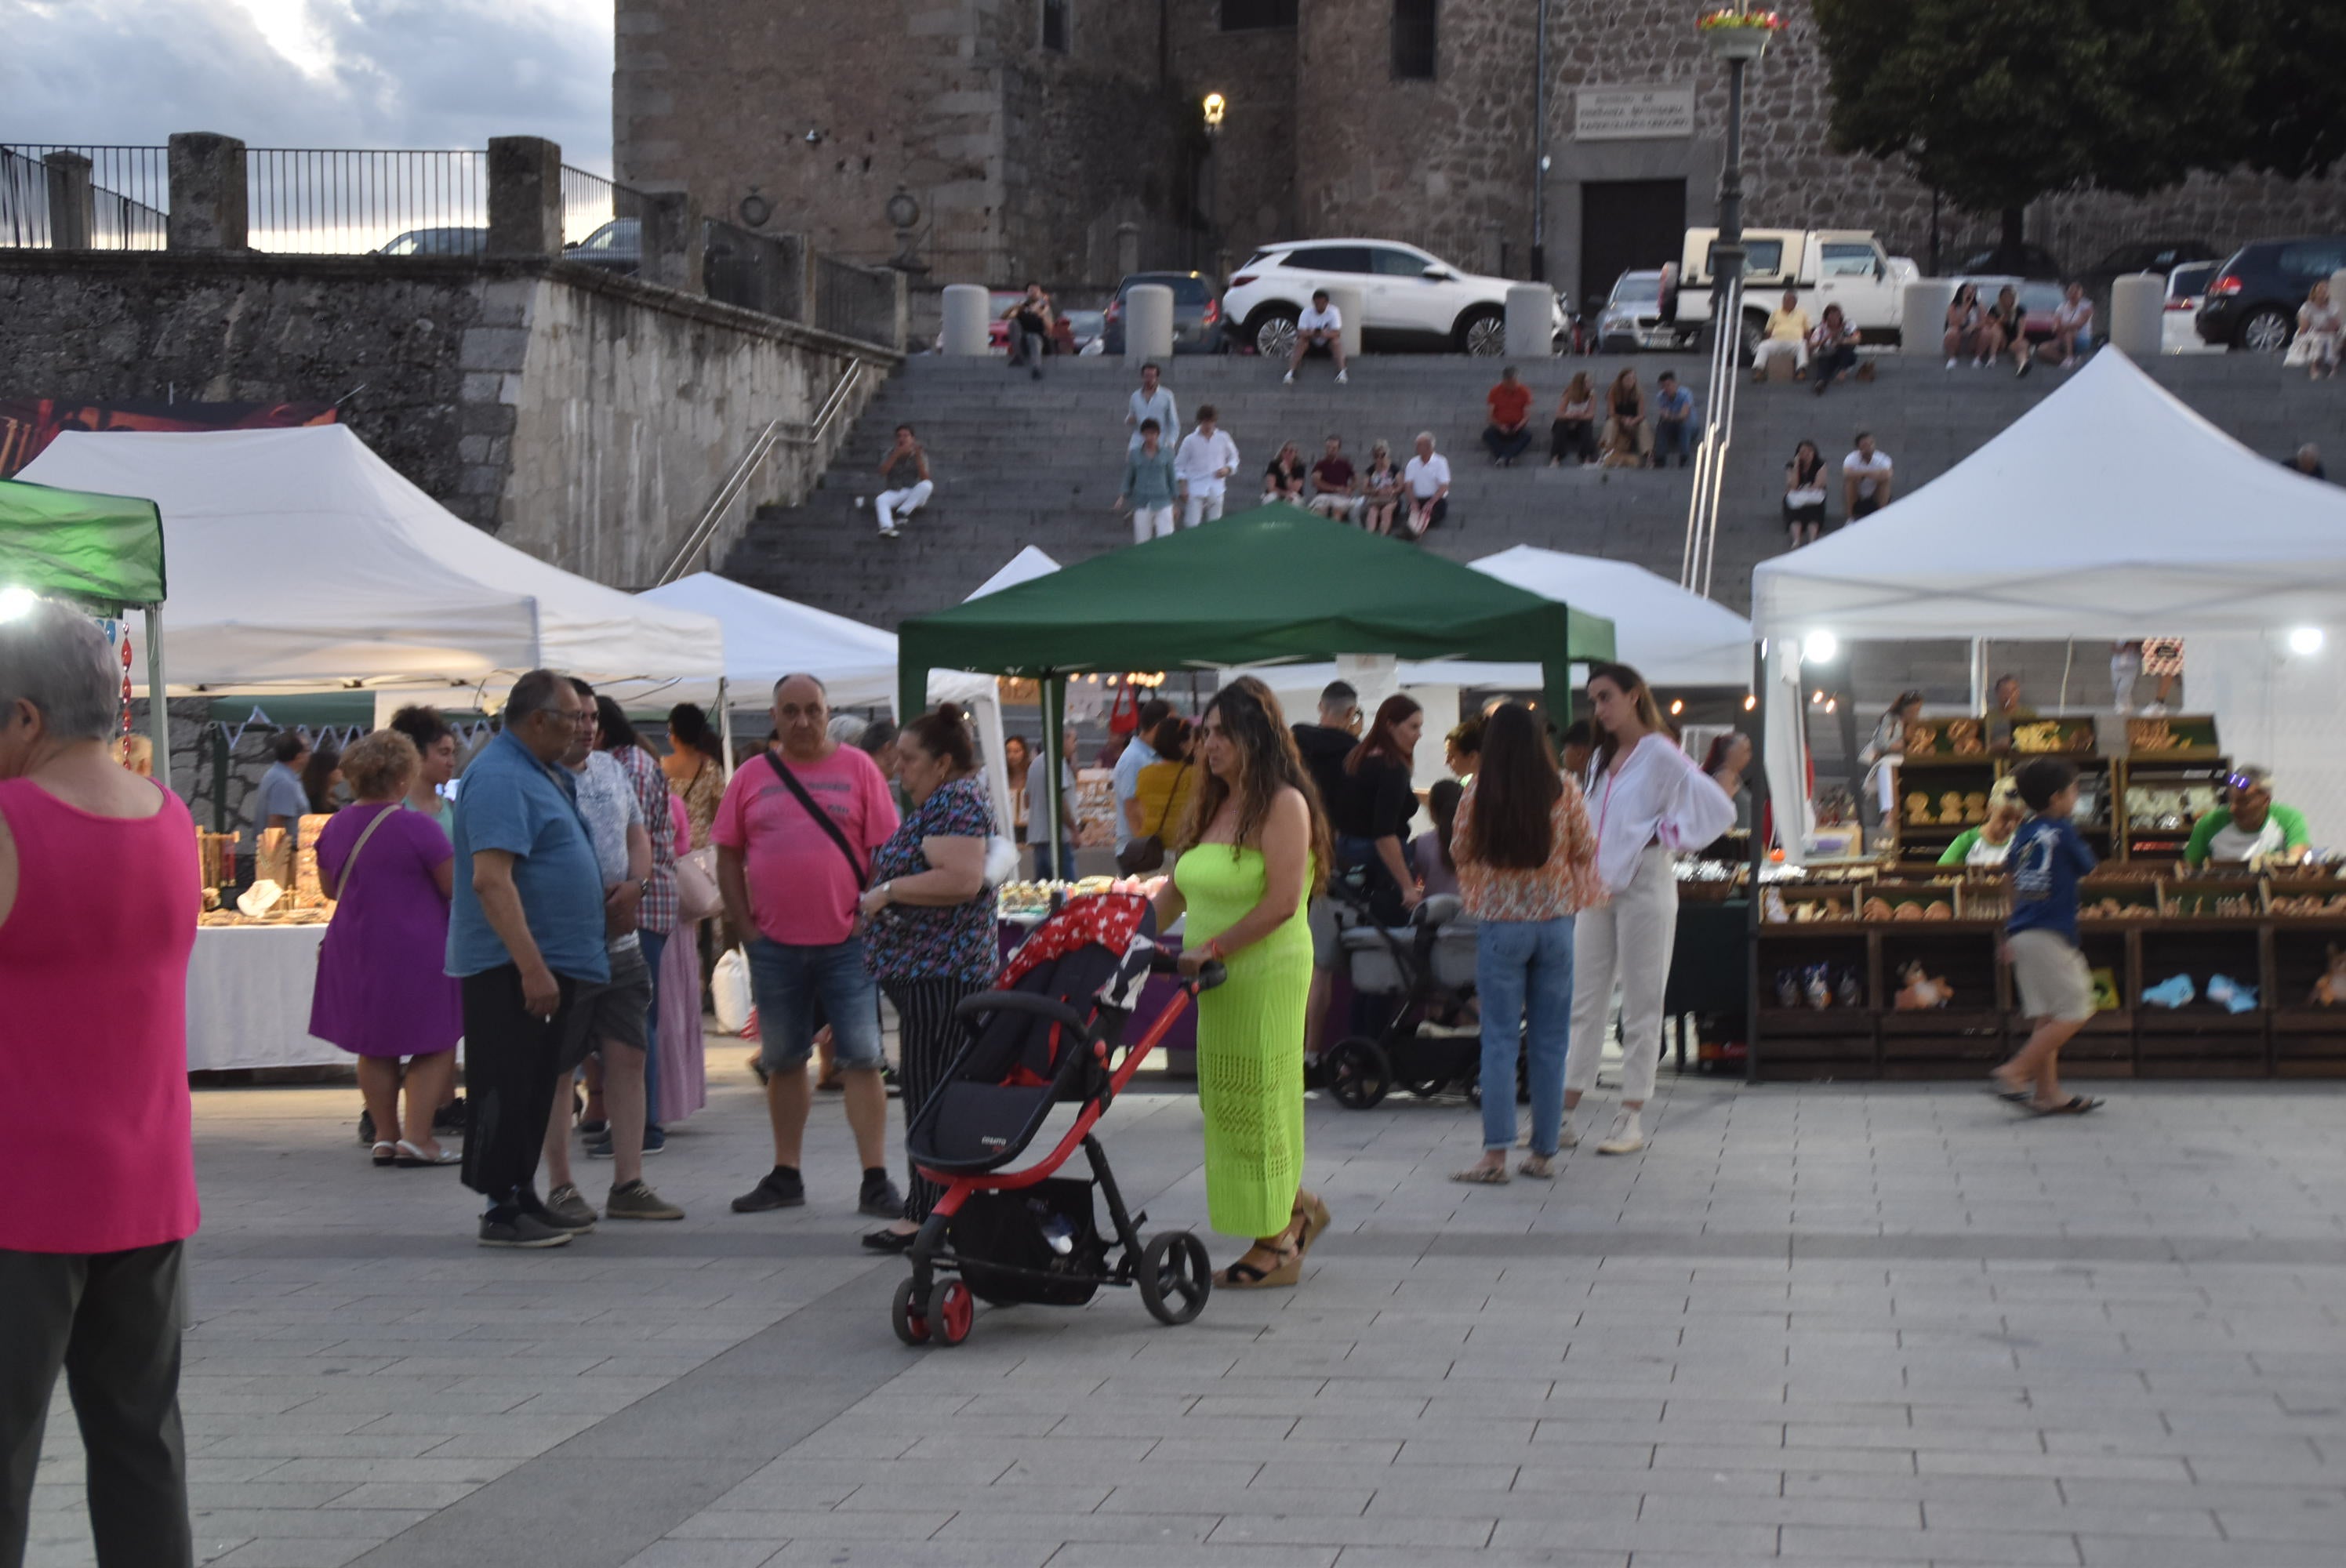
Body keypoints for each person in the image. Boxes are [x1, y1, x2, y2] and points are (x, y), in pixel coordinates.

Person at [1, 597, 201, 1568]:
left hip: (20, 1194)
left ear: (25, 717)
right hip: (148, 1185)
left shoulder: (11, 818)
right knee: (142, 1447)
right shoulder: (170, 816)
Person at [1149, 677, 1334, 1287]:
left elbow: (1285, 900)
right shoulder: (1213, 801)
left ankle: (1278, 1241)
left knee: (1260, 1101)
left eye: (1221, 733)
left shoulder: (1283, 802)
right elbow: (1177, 890)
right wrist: (1119, 933)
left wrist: (1213, 946)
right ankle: (1299, 1205)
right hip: (1214, 977)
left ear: (1256, 736)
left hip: (1262, 971)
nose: (1208, 744)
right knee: (1225, 1101)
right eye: (1205, 733)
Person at [718, 674, 906, 1222]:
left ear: (828, 714)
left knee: (864, 1058)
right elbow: (728, 854)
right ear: (774, 717)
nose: (802, 721)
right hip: (774, 944)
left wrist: (865, 918)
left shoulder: (859, 770)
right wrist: (746, 926)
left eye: (812, 710)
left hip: (846, 944)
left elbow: (886, 851)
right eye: (790, 711)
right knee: (783, 1060)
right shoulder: (751, 777)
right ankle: (786, 1173)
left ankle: (875, 1178)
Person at [448, 670, 607, 1250]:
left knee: (535, 1085)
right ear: (539, 720)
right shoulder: (499, 777)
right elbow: (492, 880)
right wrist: (532, 967)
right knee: (507, 1082)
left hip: (548, 960)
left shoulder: (537, 771)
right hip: (510, 966)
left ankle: (521, 1190)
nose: (581, 730)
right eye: (572, 719)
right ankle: (501, 1208)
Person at [1561, 663, 1735, 1156]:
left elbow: (1718, 809)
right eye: (1594, 699)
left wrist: (1661, 837)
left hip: (1646, 886)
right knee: (1585, 1000)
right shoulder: (1600, 758)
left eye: (1606, 697)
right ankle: (1566, 1112)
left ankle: (1630, 1116)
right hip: (1597, 891)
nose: (1599, 708)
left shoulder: (1660, 752)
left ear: (1634, 696)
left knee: (1642, 1002)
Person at [532, 684, 681, 1226]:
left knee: (629, 1052)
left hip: (620, 937)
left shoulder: (614, 770)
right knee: (559, 1064)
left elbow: (638, 835)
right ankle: (562, 1184)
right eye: (576, 717)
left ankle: (629, 1180)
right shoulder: (536, 777)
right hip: (562, 943)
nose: (587, 726)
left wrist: (637, 886)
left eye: (593, 717)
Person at [857, 705, 998, 1252]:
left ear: (942, 763)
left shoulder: (955, 802)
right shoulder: (951, 800)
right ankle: (934, 1209)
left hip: (942, 977)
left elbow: (960, 879)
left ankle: (928, 1215)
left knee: (931, 1094)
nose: (899, 770)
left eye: (910, 760)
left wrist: (887, 893)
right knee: (928, 1092)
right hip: (934, 977)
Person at [1449, 702, 1602, 1183]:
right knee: (1551, 1041)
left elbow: (1460, 850)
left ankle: (1495, 1157)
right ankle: (1543, 1153)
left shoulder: (1477, 794)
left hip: (1501, 925)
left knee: (1497, 1039)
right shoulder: (1566, 790)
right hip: (1556, 925)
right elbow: (1586, 848)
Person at [310, 729, 463, 1167]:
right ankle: (418, 1138)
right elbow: (452, 885)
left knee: (374, 1044)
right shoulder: (417, 826)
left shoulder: (336, 826)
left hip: (353, 944)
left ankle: (384, 1134)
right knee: (435, 1040)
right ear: (402, 778)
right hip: (416, 945)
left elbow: (329, 887)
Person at [586, 697, 681, 1163]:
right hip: (639, 904)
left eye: (585, 721)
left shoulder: (626, 769)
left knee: (634, 1020)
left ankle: (644, 1124)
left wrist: (627, 889)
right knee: (631, 1018)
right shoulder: (627, 761)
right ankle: (635, 1122)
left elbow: (625, 839)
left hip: (637, 906)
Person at [1989, 758, 2101, 1116]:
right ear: (2057, 798)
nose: (2076, 797)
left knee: (2049, 1016)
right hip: (2052, 932)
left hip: (2023, 931)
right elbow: (2090, 867)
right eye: (2074, 791)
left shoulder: (2023, 831)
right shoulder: (2063, 830)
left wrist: (2012, 924)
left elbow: (2008, 877)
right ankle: (2016, 1070)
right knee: (2077, 1008)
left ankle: (2048, 1093)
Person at [1334, 694, 1424, 925]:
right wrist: (1407, 887)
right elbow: (1383, 834)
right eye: (1413, 727)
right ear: (1390, 726)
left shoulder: (1355, 758)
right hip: (1382, 867)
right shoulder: (1392, 768)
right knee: (1391, 939)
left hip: (1349, 861)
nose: (1419, 735)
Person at [2184, 764, 2312, 867]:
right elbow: (2188, 868)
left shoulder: (2289, 819)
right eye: (2231, 800)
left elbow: (2297, 859)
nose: (2233, 809)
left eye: (2243, 802)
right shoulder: (2209, 823)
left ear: (2265, 801)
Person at [1124, 714, 1197, 849]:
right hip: (1183, 845)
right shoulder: (1195, 775)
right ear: (1183, 745)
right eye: (1191, 741)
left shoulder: (1145, 774)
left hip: (1151, 848)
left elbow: (1132, 808)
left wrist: (1140, 835)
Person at [662, 702, 727, 848]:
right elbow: (719, 814)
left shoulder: (660, 767)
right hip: (704, 846)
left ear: (674, 734)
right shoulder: (711, 768)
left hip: (673, 842)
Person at [388, 705, 459, 837]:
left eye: (452, 753)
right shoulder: (393, 811)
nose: (452, 762)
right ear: (415, 753)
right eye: (444, 753)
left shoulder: (453, 809)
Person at [1026, 723, 1080, 879]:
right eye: (1073, 740)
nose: (1075, 746)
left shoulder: (1035, 764)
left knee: (1045, 894)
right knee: (1067, 893)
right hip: (1058, 839)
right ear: (1064, 739)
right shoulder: (1058, 763)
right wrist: (1074, 830)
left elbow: (1026, 800)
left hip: (1038, 839)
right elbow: (1059, 801)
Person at [1860, 690, 1923, 823]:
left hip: (1907, 760)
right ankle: (1889, 812)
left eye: (1918, 710)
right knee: (1888, 767)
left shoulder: (1914, 722)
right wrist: (1903, 744)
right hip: (1890, 760)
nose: (1915, 713)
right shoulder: (1891, 719)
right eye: (1913, 710)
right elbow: (1882, 744)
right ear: (1905, 708)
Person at [1113, 697, 1174, 829]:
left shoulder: (1153, 755)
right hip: (1140, 846)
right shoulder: (1133, 759)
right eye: (1173, 725)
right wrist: (1146, 844)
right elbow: (1132, 809)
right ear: (1160, 727)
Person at [1175, 405, 1240, 528]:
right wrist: (1183, 487)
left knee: (1215, 526)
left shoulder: (1223, 437)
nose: (1208, 425)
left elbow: (1234, 457)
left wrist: (1228, 469)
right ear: (1200, 421)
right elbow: (1178, 466)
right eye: (1205, 422)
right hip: (1195, 487)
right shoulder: (1190, 440)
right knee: (1192, 525)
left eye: (1211, 422)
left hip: (1217, 487)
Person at [1939, 777, 2026, 867]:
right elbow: (1940, 874)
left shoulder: (2024, 841)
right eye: (2005, 817)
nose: (2011, 825)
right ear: (1990, 808)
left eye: (2018, 819)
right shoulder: (1967, 841)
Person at [1118, 418, 1179, 543]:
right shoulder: (1135, 454)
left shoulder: (1167, 453)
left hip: (1163, 501)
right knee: (1142, 541)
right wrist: (1122, 496)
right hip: (1142, 501)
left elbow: (1171, 477)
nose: (1150, 437)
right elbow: (1129, 476)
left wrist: (1174, 502)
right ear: (1142, 435)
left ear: (1158, 434)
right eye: (1147, 434)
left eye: (1153, 434)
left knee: (1167, 539)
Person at [873, 424, 932, 539]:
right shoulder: (889, 453)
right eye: (899, 436)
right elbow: (882, 472)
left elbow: (925, 477)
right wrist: (896, 455)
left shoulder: (920, 454)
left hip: (913, 493)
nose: (903, 439)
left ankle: (903, 512)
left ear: (912, 439)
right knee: (880, 499)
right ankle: (886, 526)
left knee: (927, 485)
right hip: (895, 490)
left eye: (906, 436)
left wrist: (918, 457)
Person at [1411, 776, 1464, 901]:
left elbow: (1409, 883)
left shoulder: (1420, 844)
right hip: (1472, 915)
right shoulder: (1481, 841)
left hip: (1432, 913)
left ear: (1432, 811)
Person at [1285, 288, 1348, 385]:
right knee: (1301, 341)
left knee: (1336, 342)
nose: (1319, 306)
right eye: (1317, 304)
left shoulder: (1334, 311)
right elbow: (1301, 332)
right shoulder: (1306, 312)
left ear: (1327, 303)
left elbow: (1337, 332)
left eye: (1322, 304)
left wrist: (1324, 334)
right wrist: (1313, 333)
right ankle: (1290, 372)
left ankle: (1342, 372)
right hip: (1311, 342)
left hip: (1327, 342)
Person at [1701, 731, 1754, 834]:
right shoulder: (1724, 777)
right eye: (1745, 751)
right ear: (1730, 752)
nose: (1749, 755)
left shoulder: (1732, 776)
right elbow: (1721, 815)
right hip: (1732, 843)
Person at [1752, 289, 1811, 380]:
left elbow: (1807, 332)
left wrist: (1809, 345)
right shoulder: (1776, 312)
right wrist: (1767, 340)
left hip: (1794, 343)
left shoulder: (1802, 313)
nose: (1785, 302)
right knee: (1763, 346)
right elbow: (1769, 331)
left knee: (1803, 344)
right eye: (1784, 300)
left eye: (1788, 301)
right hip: (1777, 341)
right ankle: (1759, 371)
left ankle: (1801, 371)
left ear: (1795, 302)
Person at [1482, 365, 1534, 466]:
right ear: (1505, 381)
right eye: (1511, 383)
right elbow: (1490, 415)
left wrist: (1520, 425)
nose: (1514, 386)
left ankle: (1505, 456)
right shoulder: (1495, 391)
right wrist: (1499, 426)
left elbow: (1527, 415)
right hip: (1500, 425)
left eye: (1515, 382)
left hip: (1517, 426)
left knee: (1527, 435)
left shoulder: (1524, 392)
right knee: (1487, 434)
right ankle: (1506, 456)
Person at [1403, 430, 1451, 537]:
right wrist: (1413, 502)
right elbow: (1408, 485)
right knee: (1414, 514)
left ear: (1429, 446)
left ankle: (1413, 532)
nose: (1417, 447)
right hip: (1418, 500)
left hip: (1436, 500)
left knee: (1426, 515)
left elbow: (1444, 486)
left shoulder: (1440, 462)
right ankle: (1413, 531)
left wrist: (1431, 502)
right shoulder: (1412, 463)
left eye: (1419, 445)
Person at [1600, 367, 1651, 466]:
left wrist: (1632, 421)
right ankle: (1605, 450)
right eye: (1627, 379)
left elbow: (1641, 415)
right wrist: (1623, 419)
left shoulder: (1639, 392)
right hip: (1618, 423)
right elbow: (1611, 413)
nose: (1630, 382)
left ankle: (1648, 454)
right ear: (1621, 380)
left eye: (1633, 379)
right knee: (1610, 422)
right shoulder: (1613, 391)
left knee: (1644, 425)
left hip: (1633, 424)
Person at [1784, 438, 1828, 546]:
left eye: (1809, 451)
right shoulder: (1791, 466)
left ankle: (1812, 540)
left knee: (1813, 516)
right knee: (1795, 516)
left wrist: (1805, 489)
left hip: (1813, 499)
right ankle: (1796, 540)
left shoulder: (1820, 464)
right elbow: (1793, 485)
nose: (1807, 454)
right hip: (1796, 499)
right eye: (1803, 452)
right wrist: (1796, 466)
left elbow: (1819, 484)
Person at [2039, 281, 2094, 371]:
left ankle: (2069, 357)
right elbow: (2055, 325)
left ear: (2081, 294)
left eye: (2076, 292)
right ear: (2067, 293)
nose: (2073, 295)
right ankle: (2067, 361)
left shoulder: (2087, 306)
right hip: (2063, 338)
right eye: (2071, 292)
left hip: (2081, 339)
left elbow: (2078, 324)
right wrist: (2058, 327)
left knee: (2070, 332)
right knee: (2042, 349)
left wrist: (2062, 327)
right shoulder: (2062, 306)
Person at [1549, 372, 1598, 466]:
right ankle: (1556, 458)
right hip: (1566, 424)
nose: (1590, 383)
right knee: (1560, 423)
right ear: (1580, 383)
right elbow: (1559, 414)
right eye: (1587, 382)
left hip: (1580, 425)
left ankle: (1586, 458)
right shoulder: (1569, 393)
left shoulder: (1592, 395)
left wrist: (1579, 416)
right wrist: (1571, 415)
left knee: (1587, 425)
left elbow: (1591, 414)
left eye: (1590, 381)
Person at [1126, 361, 1178, 452]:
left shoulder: (1167, 395)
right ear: (1142, 377)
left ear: (1157, 377)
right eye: (1146, 376)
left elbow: (1173, 422)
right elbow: (1131, 416)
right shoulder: (1135, 396)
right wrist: (1129, 420)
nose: (1149, 379)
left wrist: (1171, 442)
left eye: (1152, 376)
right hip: (1139, 440)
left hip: (1160, 441)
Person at [1004, 281, 1053, 376]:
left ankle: (1036, 368)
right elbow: (1006, 317)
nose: (1034, 293)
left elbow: (1050, 328)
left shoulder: (1044, 308)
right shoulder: (1021, 307)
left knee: (1033, 337)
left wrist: (1040, 314)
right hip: (1022, 341)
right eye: (1031, 290)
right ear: (1027, 293)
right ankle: (1018, 356)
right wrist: (1014, 308)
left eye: (1036, 291)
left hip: (1040, 341)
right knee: (1013, 323)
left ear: (1040, 293)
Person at [1307, 434, 1360, 521]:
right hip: (1323, 496)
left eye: (1334, 448)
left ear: (1338, 449)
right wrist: (1335, 489)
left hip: (1340, 497)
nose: (1330, 450)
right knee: (1319, 511)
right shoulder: (1320, 464)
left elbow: (1356, 480)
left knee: (1337, 512)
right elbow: (1316, 482)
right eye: (1328, 447)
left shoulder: (1345, 464)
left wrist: (1350, 488)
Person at [1809, 303, 1858, 395]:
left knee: (1847, 350)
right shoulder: (1821, 329)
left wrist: (1842, 341)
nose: (1834, 321)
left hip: (1845, 353)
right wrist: (1825, 339)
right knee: (1824, 363)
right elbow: (1812, 344)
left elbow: (1857, 339)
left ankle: (1843, 371)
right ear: (1826, 319)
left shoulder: (1848, 325)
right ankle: (1820, 383)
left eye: (1837, 317)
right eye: (1831, 318)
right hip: (1829, 353)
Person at [1843, 430, 1893, 521]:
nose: (1869, 447)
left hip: (1875, 493)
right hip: (1857, 493)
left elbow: (1888, 474)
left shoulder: (1882, 458)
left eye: (1871, 443)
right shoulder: (1851, 458)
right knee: (1849, 481)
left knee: (1885, 482)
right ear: (1859, 447)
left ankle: (1882, 516)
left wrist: (1861, 474)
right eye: (1865, 445)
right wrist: (1870, 474)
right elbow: (1847, 474)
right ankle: (1850, 518)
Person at [1986, 283, 2034, 376]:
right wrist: (2000, 321)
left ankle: (2023, 364)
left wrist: (2019, 340)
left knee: (2021, 347)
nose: (2007, 299)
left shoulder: (2020, 309)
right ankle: (1992, 357)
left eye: (2010, 296)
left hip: (2014, 338)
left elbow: (2021, 325)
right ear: (2000, 297)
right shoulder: (1994, 309)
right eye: (2005, 296)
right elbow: (1989, 324)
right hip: (2000, 339)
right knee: (1996, 328)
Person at [1652, 370, 1696, 468]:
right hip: (1672, 425)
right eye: (1663, 386)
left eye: (1668, 385)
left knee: (1684, 424)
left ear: (1675, 383)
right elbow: (1664, 414)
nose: (1666, 389)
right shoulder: (1661, 396)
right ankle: (1660, 457)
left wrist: (1670, 416)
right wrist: (1668, 416)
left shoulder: (1685, 394)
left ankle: (1684, 456)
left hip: (1690, 427)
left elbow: (1684, 415)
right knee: (1661, 426)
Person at [2299, 281, 2342, 380]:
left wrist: (2326, 328)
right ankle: (2314, 368)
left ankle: (2334, 367)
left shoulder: (2333, 306)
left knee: (2330, 339)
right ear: (2314, 292)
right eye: (2320, 290)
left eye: (2325, 290)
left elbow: (2336, 325)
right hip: (2312, 332)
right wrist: (2316, 328)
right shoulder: (2307, 306)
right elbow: (2304, 328)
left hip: (2329, 332)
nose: (2322, 292)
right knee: (2317, 339)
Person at [1358, 440, 1403, 534]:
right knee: (1372, 511)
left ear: (1387, 454)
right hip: (1376, 499)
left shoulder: (1394, 468)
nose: (1379, 458)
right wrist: (1374, 491)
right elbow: (1363, 489)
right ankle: (1370, 535)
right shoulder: (1370, 470)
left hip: (1391, 499)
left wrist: (1392, 491)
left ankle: (1383, 534)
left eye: (1382, 455)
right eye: (1376, 456)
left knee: (1386, 511)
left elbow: (1401, 486)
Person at [1944, 282, 1984, 368]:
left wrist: (1974, 326)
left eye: (1972, 291)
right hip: (1958, 336)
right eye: (1967, 291)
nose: (1969, 293)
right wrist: (1965, 305)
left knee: (1986, 332)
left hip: (1973, 336)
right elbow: (1952, 322)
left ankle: (1978, 359)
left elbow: (1984, 321)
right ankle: (1952, 358)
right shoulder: (1953, 306)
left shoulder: (1979, 306)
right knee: (1953, 331)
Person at [302, 741, 343, 815]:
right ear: (326, 771)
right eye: (338, 767)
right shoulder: (315, 802)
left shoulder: (331, 797)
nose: (342, 770)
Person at [1262, 440, 1309, 506]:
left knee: (1294, 498)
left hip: (1293, 495)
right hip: (1277, 493)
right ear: (1281, 453)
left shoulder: (1300, 467)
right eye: (1285, 450)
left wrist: (1286, 472)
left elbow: (1294, 489)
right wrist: (1285, 493)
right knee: (1271, 497)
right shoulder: (1273, 465)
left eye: (1291, 451)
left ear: (1295, 453)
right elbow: (1271, 488)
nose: (1287, 453)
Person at [1444, 713, 1483, 780]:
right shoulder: (1470, 782)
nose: (1446, 762)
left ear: (1472, 756)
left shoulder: (1492, 786)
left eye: (1452, 756)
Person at [1557, 720, 1595, 786]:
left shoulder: (1601, 783)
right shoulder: (1570, 782)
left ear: (1579, 753)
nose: (1562, 754)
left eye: (1565, 748)